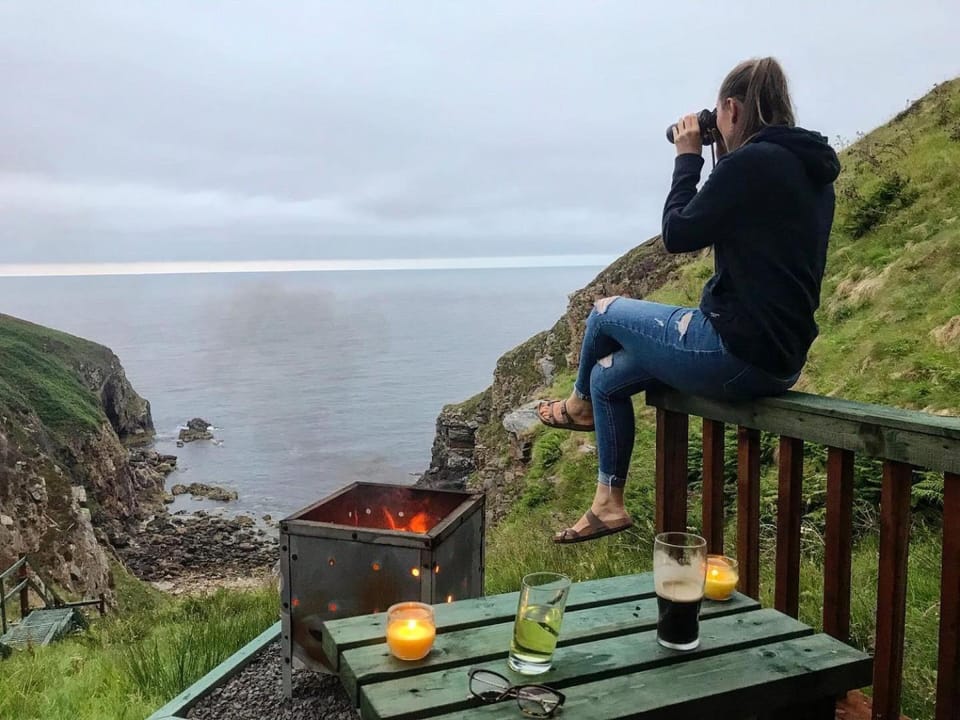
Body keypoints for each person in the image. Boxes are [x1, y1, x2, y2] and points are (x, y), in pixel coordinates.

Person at [537, 57, 840, 544]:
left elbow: (678, 233)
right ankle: (607, 503)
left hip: (733, 350)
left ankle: (576, 408)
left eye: (719, 116)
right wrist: (720, 150)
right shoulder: (810, 173)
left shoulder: (751, 164)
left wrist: (687, 157)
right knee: (607, 378)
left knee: (605, 312)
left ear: (732, 109)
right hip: (780, 359)